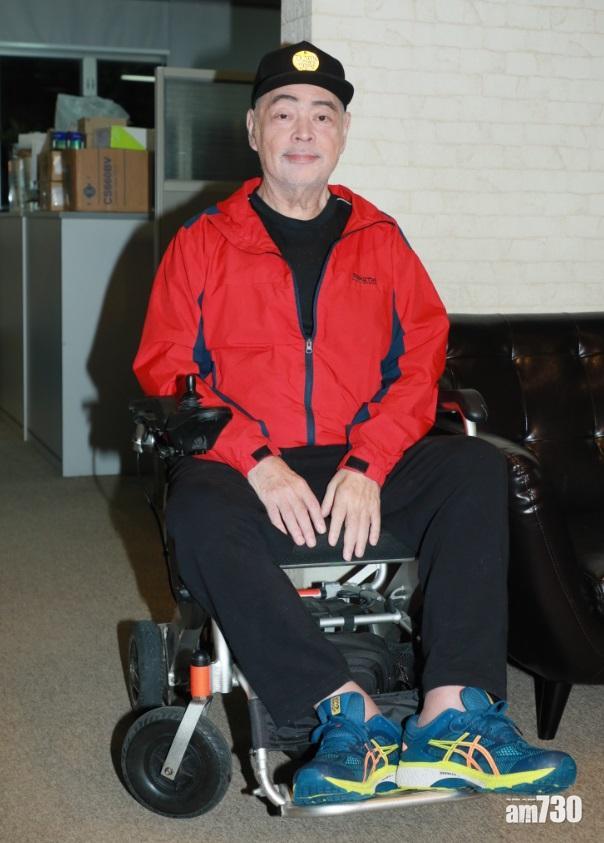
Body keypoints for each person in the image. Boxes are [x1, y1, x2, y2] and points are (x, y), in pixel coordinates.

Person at [133, 41, 576, 805]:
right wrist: (255, 458)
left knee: (477, 468)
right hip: (247, 466)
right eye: (284, 113)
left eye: (323, 114)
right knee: (194, 507)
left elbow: (422, 362)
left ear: (342, 134)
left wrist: (370, 461)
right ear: (253, 130)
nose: (304, 130)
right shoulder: (202, 242)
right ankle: (346, 715)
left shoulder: (382, 238)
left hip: (360, 461)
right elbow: (166, 370)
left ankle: (455, 717)